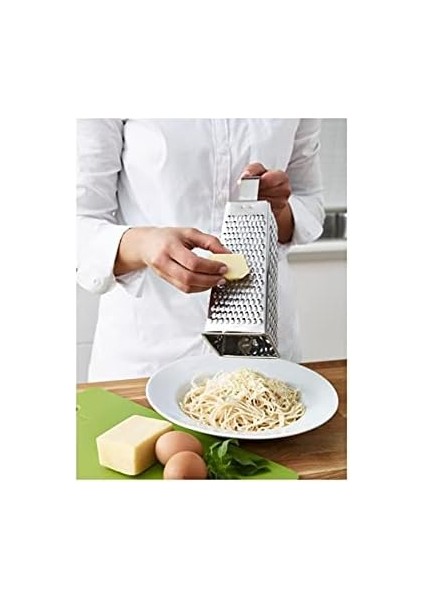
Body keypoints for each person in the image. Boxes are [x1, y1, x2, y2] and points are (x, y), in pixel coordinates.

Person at [77, 119, 325, 381]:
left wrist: (277, 210)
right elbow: (79, 220)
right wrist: (145, 245)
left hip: (263, 343)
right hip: (148, 352)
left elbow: (310, 202)